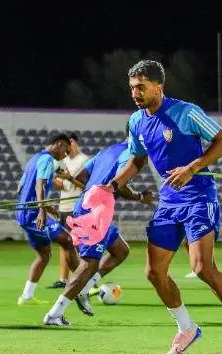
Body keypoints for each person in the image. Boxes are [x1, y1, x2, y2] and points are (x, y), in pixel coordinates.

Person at [104, 59, 222, 354]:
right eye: (133, 87)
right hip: (168, 203)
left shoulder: (186, 112)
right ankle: (186, 328)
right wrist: (113, 186)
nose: (136, 93)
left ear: (159, 87)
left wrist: (193, 167)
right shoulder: (135, 121)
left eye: (141, 87)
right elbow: (136, 160)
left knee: (202, 268)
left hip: (199, 198)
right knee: (154, 272)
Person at [44, 128, 154, 326]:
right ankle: (54, 314)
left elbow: (82, 175)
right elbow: (117, 183)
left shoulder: (107, 150)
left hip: (93, 208)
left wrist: (95, 189)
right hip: (94, 212)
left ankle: (85, 290)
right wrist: (139, 197)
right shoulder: (132, 153)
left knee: (120, 250)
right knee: (89, 264)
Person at [15, 133, 80, 305]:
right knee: (67, 240)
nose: (65, 155)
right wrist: (43, 211)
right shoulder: (46, 160)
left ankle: (26, 297)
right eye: (65, 150)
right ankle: (83, 285)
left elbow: (20, 188)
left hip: (23, 212)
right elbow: (40, 184)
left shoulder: (34, 159)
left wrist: (48, 208)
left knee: (44, 255)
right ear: (59, 144)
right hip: (33, 214)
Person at [48, 132, 89, 289]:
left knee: (80, 243)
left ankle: (83, 276)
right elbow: (61, 186)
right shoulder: (62, 161)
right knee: (64, 243)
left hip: (78, 206)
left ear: (73, 143)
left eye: (70, 143)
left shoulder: (84, 161)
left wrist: (70, 178)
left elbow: (86, 186)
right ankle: (63, 279)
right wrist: (52, 180)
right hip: (63, 207)